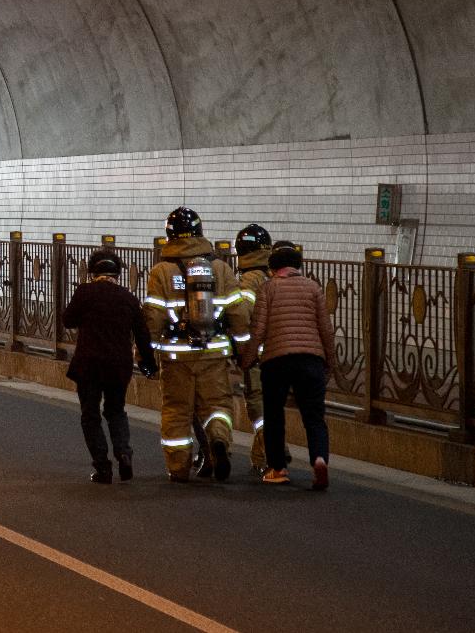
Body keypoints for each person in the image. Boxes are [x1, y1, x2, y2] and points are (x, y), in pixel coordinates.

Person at [143, 207, 250, 482]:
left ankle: (178, 467)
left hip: (176, 356)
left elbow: (153, 315)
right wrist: (242, 348)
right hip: (214, 352)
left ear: (169, 235)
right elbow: (238, 312)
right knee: (217, 406)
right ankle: (219, 441)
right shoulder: (220, 268)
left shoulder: (162, 272)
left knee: (177, 410)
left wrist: (146, 352)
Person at [240, 242, 336, 489]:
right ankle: (318, 460)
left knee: (274, 415)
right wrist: (330, 361)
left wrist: (247, 359)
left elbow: (258, 330)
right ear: (298, 266)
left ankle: (278, 468)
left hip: (277, 361)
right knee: (314, 417)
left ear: (272, 268)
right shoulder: (313, 287)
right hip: (311, 359)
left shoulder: (267, 288)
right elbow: (326, 329)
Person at [63, 249, 157, 484]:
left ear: (93, 271)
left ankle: (103, 467)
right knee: (116, 411)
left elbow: (68, 320)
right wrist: (149, 363)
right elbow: (143, 335)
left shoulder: (85, 292)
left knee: (90, 415)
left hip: (90, 365)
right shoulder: (128, 297)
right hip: (119, 365)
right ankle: (124, 454)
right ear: (118, 272)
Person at [235, 223, 273, 475]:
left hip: (257, 355)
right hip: (279, 351)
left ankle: (268, 454)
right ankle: (269, 451)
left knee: (259, 406)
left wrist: (241, 351)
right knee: (271, 405)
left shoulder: (247, 282)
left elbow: (242, 317)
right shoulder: (273, 277)